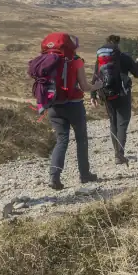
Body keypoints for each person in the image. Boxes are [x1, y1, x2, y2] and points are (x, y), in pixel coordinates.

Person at [46, 35, 104, 189]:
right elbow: (85, 86)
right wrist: (96, 86)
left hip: (54, 106)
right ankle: (84, 174)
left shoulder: (48, 59)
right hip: (74, 106)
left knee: (61, 140)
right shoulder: (76, 60)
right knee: (81, 139)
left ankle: (54, 177)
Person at [93, 35, 138, 165]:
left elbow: (95, 77)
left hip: (106, 95)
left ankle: (117, 152)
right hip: (122, 94)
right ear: (117, 44)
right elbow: (137, 73)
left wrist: (93, 95)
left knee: (113, 122)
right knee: (122, 124)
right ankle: (119, 154)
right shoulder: (124, 57)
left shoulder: (100, 60)